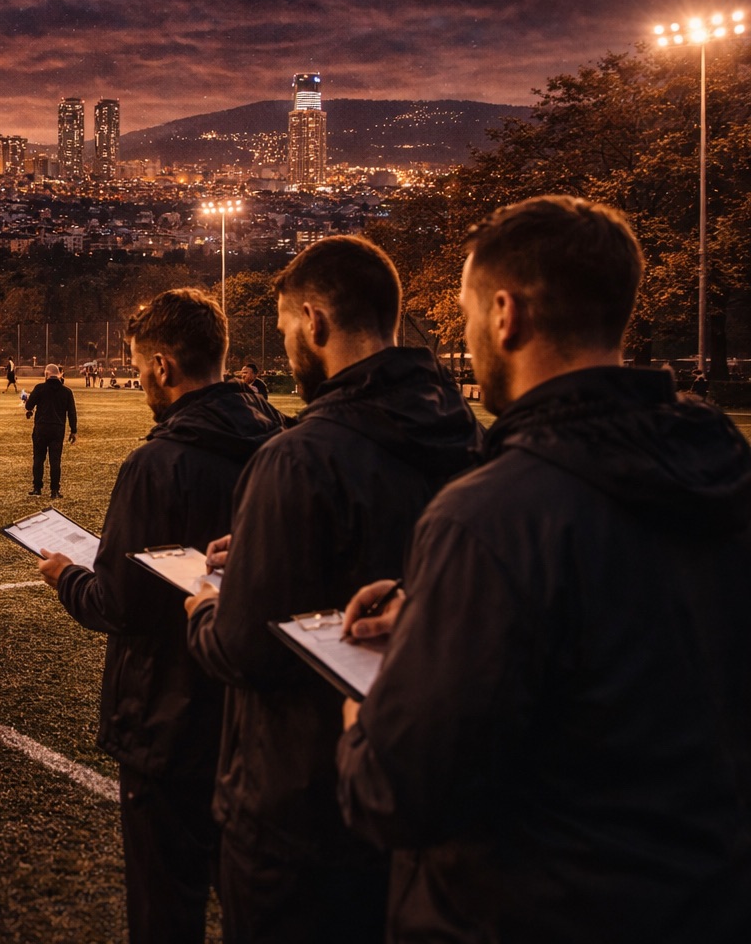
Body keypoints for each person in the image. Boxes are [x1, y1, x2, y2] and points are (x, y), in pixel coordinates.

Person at [335, 196, 751, 942]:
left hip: (533, 908)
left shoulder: (492, 513)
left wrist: (359, 718)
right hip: (704, 899)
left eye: (464, 313)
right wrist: (450, 608)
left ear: (505, 314)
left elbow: (399, 792)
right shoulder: (721, 467)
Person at [183, 235, 481, 944]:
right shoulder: (467, 432)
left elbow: (247, 651)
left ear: (313, 322)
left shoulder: (298, 456)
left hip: (297, 808)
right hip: (416, 787)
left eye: (287, 326)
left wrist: (204, 607)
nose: (286, 343)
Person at [37, 289, 285, 943]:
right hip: (259, 718)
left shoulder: (158, 465)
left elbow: (117, 603)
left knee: (166, 912)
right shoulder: (284, 442)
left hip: (167, 726)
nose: (143, 378)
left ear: (164, 368)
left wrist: (67, 576)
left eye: (141, 365)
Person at [25, 363, 77, 498]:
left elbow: (29, 405)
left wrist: (29, 403)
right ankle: (54, 490)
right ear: (59, 375)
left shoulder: (40, 388)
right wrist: (73, 430)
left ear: (47, 374)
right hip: (57, 429)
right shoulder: (66, 391)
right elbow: (72, 413)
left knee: (38, 459)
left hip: (41, 428)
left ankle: (37, 488)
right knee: (55, 461)